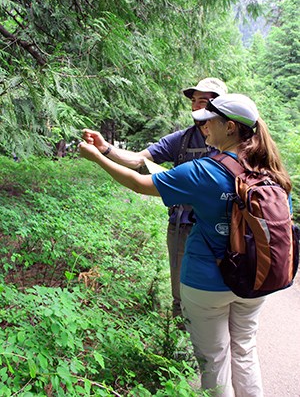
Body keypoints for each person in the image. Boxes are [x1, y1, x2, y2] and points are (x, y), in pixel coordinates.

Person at [79, 93, 292, 396]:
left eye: (210, 122)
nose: (205, 128)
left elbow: (139, 183)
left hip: (206, 284)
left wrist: (97, 158)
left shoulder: (205, 170)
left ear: (230, 127)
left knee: (213, 360)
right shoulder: (271, 171)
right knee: (245, 351)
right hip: (255, 282)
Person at [82, 77, 228, 319]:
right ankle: (182, 341)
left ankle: (215, 340)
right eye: (194, 101)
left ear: (219, 105)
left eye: (203, 100)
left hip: (223, 227)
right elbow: (140, 160)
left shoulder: (233, 139)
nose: (196, 106)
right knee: (182, 289)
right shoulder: (181, 139)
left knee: (222, 287)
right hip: (183, 225)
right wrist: (104, 147)